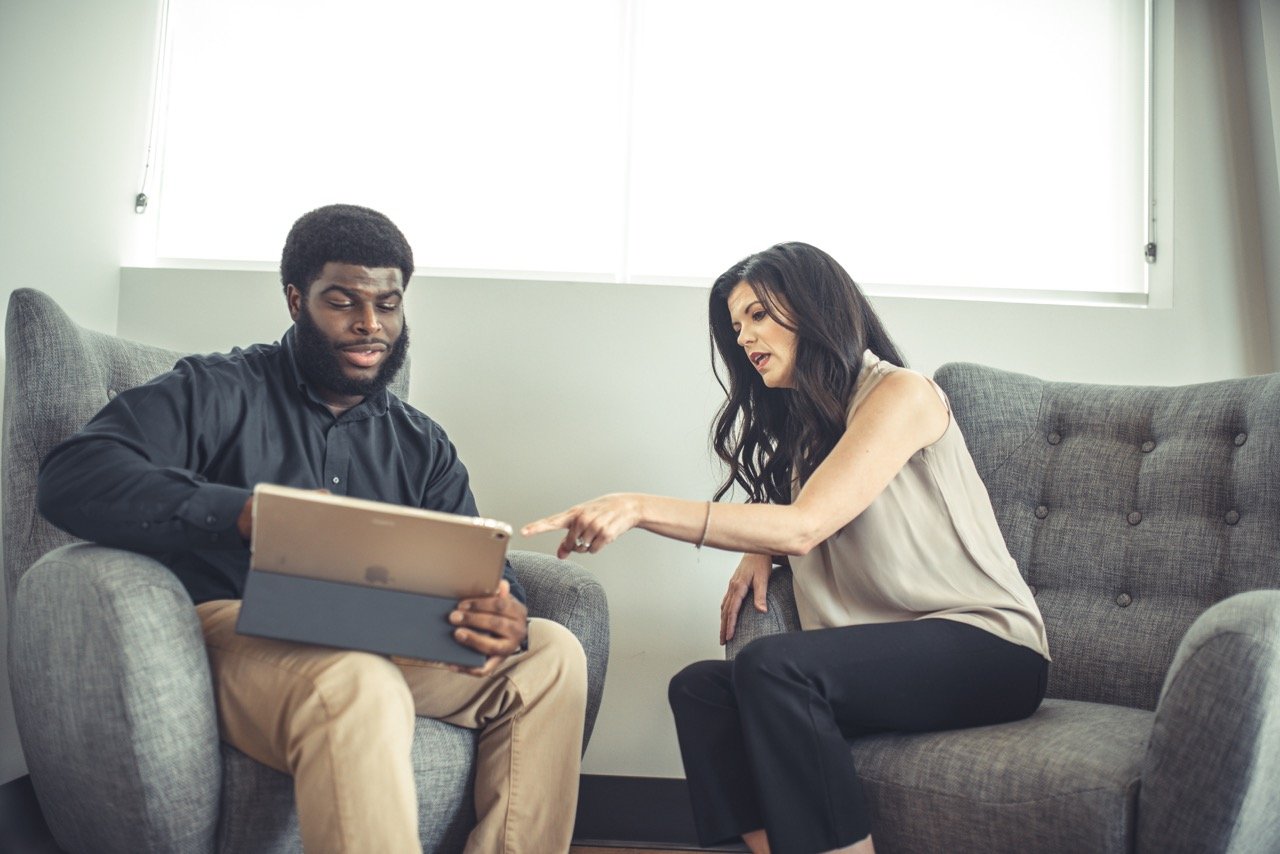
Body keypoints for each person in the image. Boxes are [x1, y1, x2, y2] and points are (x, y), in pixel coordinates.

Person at [37, 203, 588, 854]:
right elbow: (71, 477)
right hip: (238, 634)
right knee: (359, 681)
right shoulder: (216, 389)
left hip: (382, 638)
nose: (370, 324)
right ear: (296, 300)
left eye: (388, 303)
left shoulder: (421, 444)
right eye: (342, 301)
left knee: (552, 654)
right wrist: (243, 512)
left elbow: (489, 572)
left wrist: (507, 614)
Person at [523, 242, 1050, 854]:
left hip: (989, 649)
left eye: (759, 315)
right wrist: (763, 549)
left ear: (815, 310)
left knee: (772, 666)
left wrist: (640, 508)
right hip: (896, 661)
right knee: (698, 690)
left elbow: (805, 525)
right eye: (736, 323)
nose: (744, 336)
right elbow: (806, 522)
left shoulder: (901, 393)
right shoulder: (810, 439)